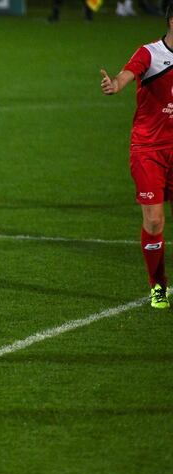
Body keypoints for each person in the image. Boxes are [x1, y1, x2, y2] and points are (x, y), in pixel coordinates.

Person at [100, 5, 173, 309]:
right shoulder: (150, 53)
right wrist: (115, 84)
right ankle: (158, 286)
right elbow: (126, 74)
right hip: (148, 150)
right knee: (154, 221)